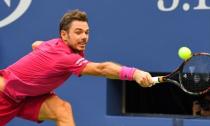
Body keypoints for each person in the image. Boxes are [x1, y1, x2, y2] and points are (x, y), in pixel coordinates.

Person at [0, 9, 155, 126]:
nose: (84, 37)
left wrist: (41, 54)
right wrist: (134, 73)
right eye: (78, 32)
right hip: (4, 95)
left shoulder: (55, 44)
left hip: (26, 97)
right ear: (64, 35)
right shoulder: (65, 57)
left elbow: (36, 44)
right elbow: (101, 69)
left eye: (86, 32)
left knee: (62, 110)